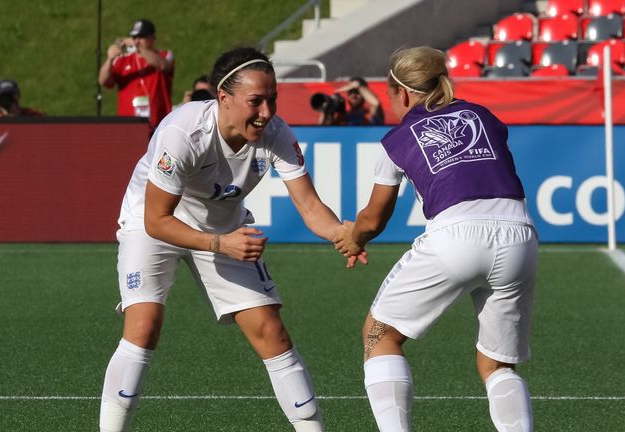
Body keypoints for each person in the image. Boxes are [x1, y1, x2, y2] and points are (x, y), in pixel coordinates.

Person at [99, 47, 364, 432]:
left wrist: (342, 233)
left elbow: (309, 206)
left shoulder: (275, 133)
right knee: (144, 324)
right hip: (154, 221)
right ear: (223, 97)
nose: (267, 112)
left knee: (270, 329)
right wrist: (220, 245)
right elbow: (156, 220)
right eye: (255, 101)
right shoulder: (182, 133)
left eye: (272, 99)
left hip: (222, 226)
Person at [334, 46, 537, 432]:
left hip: (457, 236)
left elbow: (374, 218)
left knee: (379, 336)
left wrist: (354, 239)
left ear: (403, 93)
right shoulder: (484, 116)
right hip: (519, 237)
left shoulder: (396, 139)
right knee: (496, 363)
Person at [98, 19, 174, 128]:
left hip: (158, 124)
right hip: (128, 126)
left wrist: (138, 47)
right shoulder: (122, 60)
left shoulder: (164, 55)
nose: (137, 41)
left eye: (141, 37)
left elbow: (163, 65)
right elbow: (103, 80)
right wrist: (109, 59)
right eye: (134, 37)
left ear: (152, 38)